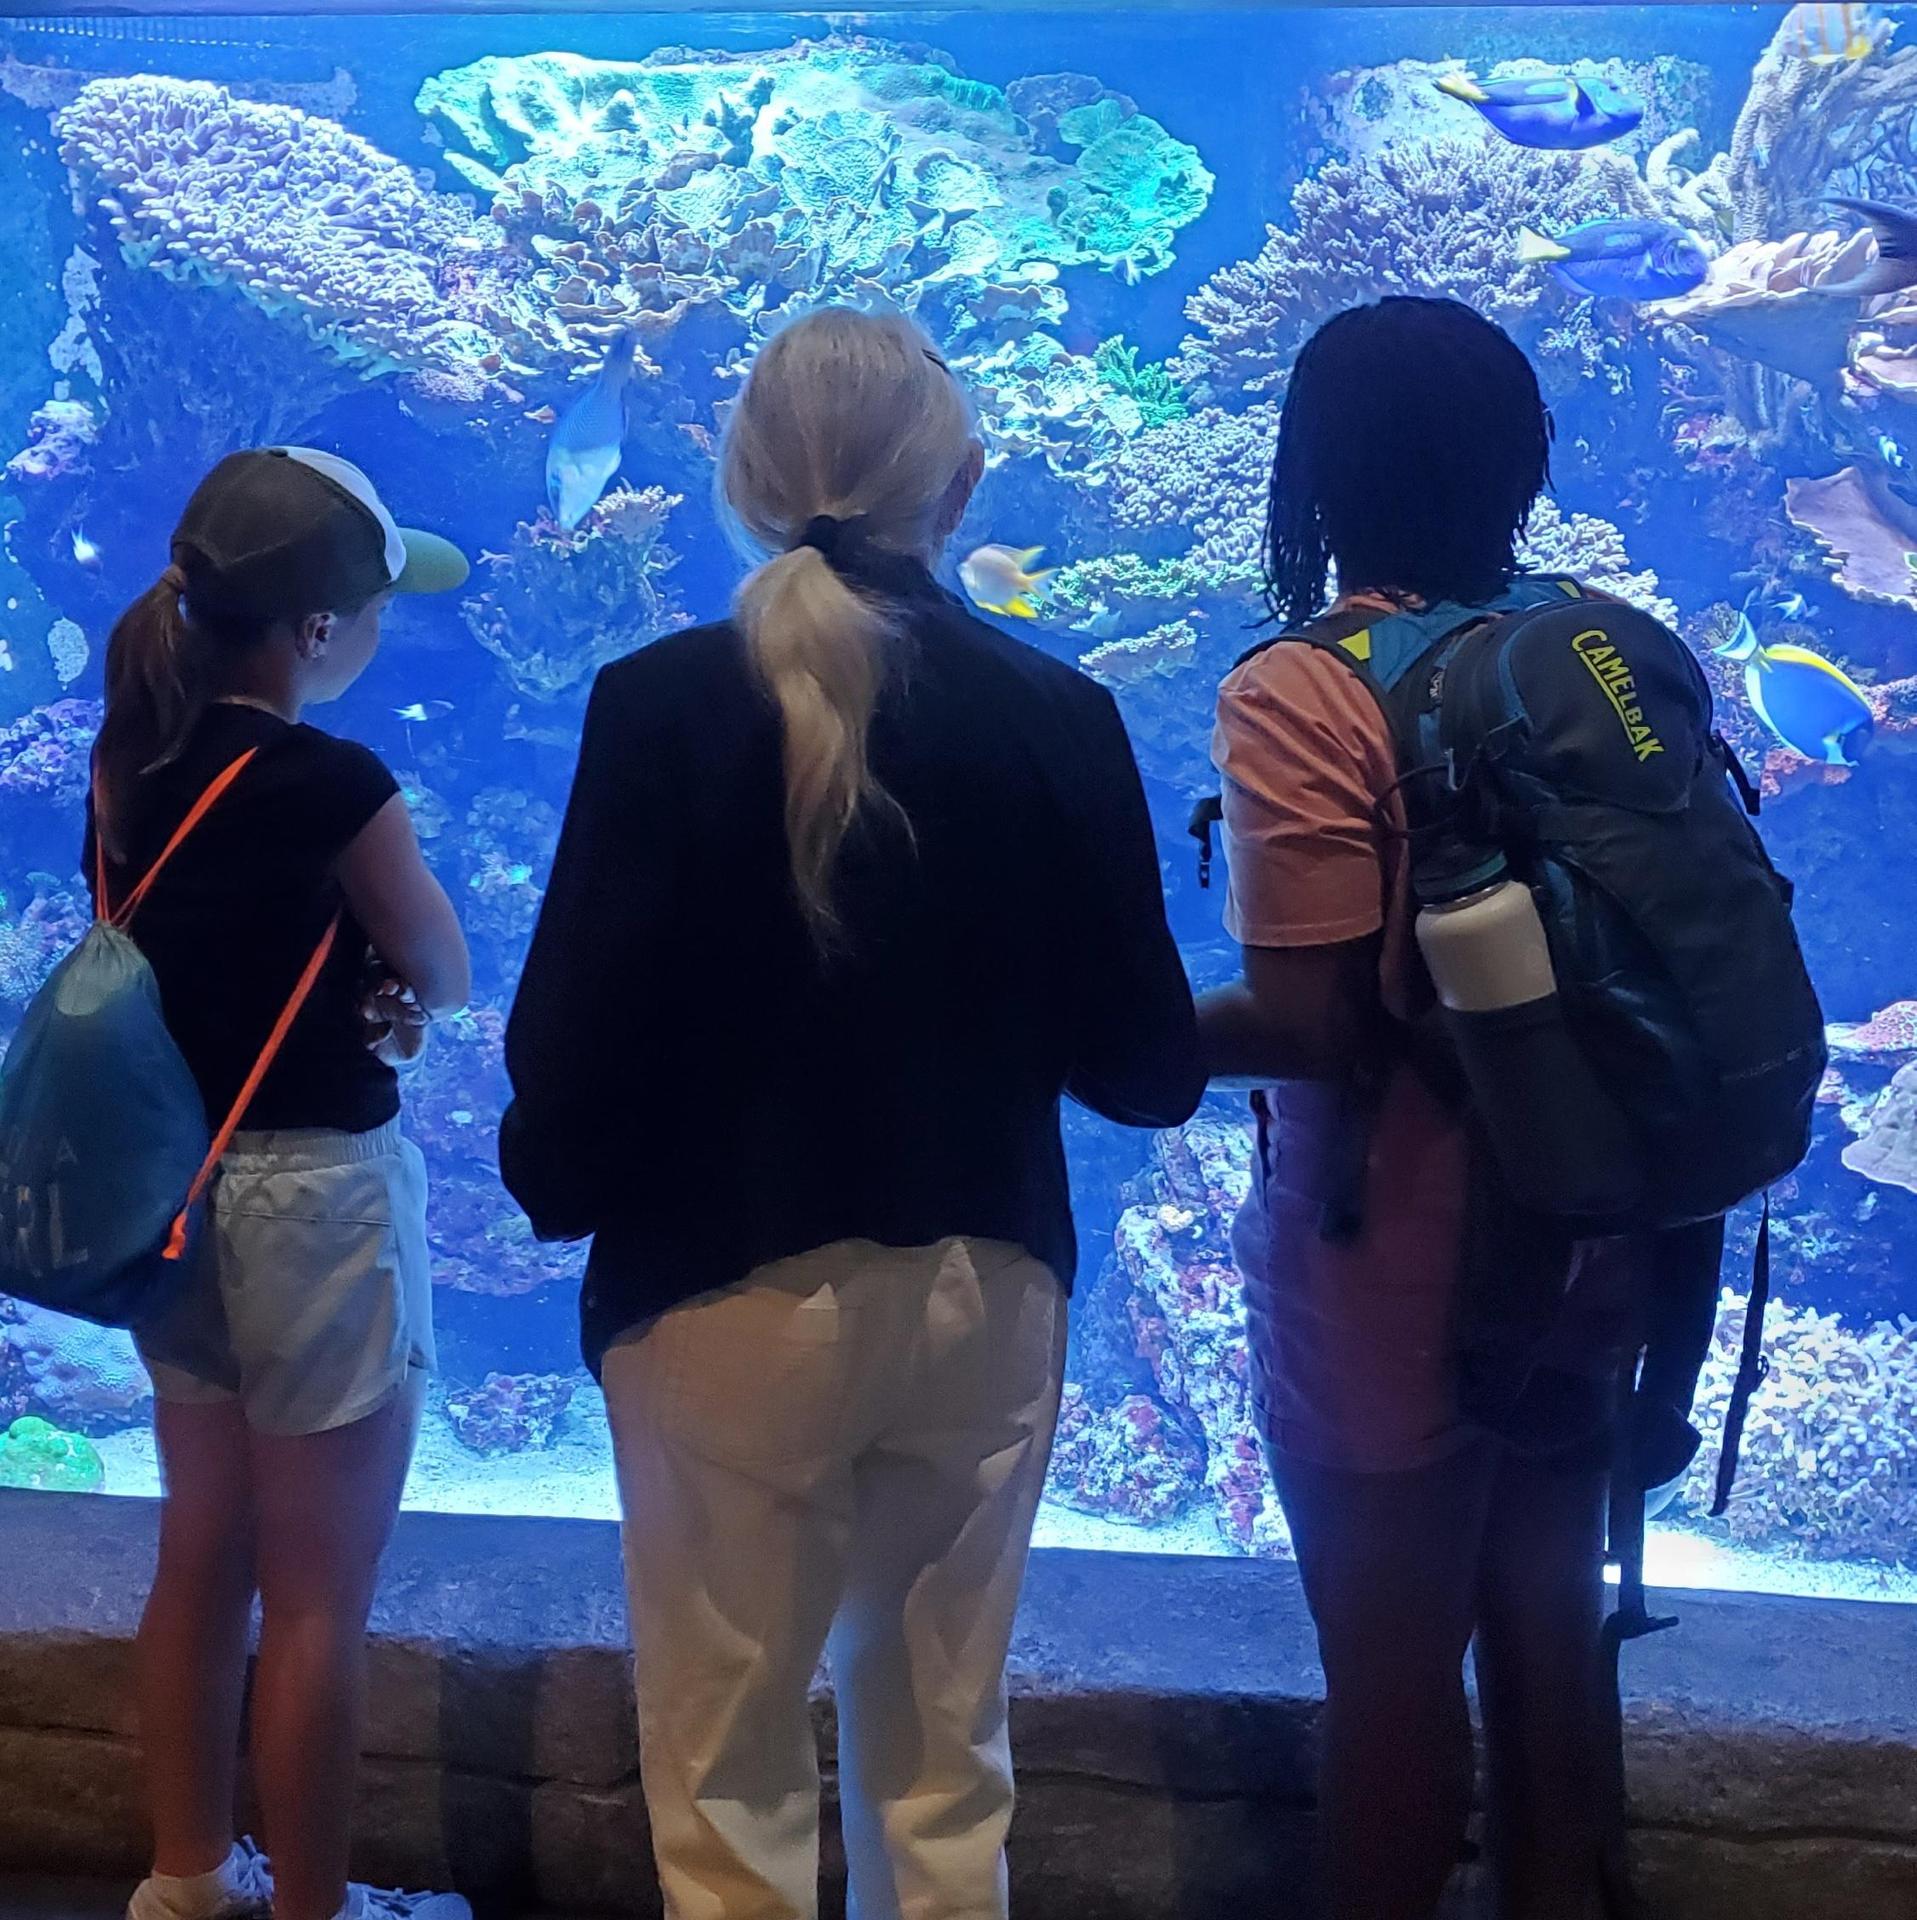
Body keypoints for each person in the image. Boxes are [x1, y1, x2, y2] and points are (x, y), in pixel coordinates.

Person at [501, 306, 1203, 1920]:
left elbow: (573, 1036)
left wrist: (555, 1190)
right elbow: (1146, 1070)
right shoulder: (1062, 711)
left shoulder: (658, 703)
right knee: (948, 1770)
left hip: (724, 1292)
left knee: (726, 1774)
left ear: (739, 479)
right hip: (988, 1292)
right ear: (959, 486)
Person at [1197, 298, 1634, 1920]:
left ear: (1311, 472)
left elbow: (1308, 1018)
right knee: (1547, 1642)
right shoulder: (1608, 648)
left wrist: (1097, 1023)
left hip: (1386, 1246)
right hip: (1592, 1226)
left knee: (1387, 1688)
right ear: (1521, 462)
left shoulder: (1303, 693)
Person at [95, 448, 474, 1920]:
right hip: (313, 1194)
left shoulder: (131, 757)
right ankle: (315, 1909)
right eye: (374, 607)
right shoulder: (333, 779)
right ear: (318, 631)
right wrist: (387, 988)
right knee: (318, 1589)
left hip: (169, 1194)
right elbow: (439, 967)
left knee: (203, 1550)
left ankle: (185, 1881)